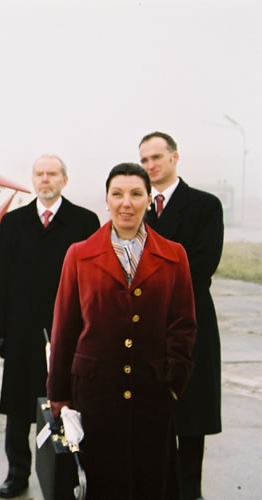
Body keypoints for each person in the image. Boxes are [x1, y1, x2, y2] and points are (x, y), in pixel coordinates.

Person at [47, 162, 197, 499]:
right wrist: (59, 395)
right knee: (103, 482)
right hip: (95, 394)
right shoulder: (79, 255)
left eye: (135, 194)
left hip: (153, 392)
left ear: (148, 200)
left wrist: (174, 383)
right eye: (117, 194)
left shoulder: (174, 256)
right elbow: (65, 327)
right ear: (107, 200)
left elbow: (183, 324)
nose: (126, 203)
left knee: (150, 481)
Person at [0, 154, 99, 498]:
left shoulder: (85, 222)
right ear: (33, 179)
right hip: (22, 330)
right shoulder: (13, 223)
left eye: (52, 174)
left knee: (68, 404)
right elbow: (1, 279)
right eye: (40, 174)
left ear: (65, 180)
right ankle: (17, 473)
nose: (45, 179)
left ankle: (70, 472)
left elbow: (94, 282)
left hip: (70, 330)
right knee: (18, 407)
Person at [139, 131, 224, 500]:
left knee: (190, 418)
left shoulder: (205, 206)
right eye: (144, 160)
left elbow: (201, 266)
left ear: (174, 157)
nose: (150, 165)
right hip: (142, 324)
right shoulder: (135, 207)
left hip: (190, 320)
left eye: (156, 157)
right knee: (150, 419)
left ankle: (190, 492)